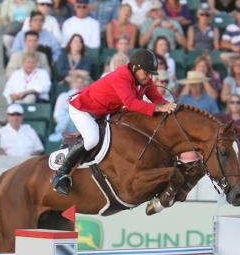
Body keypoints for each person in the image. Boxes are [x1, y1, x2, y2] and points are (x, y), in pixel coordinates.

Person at [50, 49, 175, 195]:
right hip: (83, 109)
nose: (149, 77)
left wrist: (171, 108)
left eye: (151, 74)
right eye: (146, 73)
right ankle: (61, 173)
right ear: (135, 68)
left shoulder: (144, 78)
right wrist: (157, 108)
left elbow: (158, 99)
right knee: (92, 139)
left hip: (104, 111)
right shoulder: (121, 76)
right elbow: (131, 103)